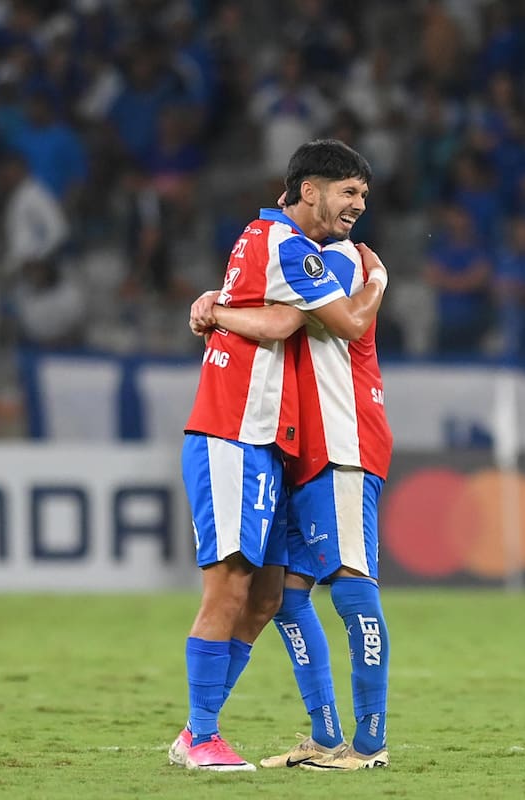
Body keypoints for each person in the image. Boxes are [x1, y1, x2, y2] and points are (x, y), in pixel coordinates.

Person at [171, 138, 388, 772]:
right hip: (233, 433)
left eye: (364, 195)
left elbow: (272, 316)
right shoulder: (294, 247)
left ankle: (208, 730)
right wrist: (379, 279)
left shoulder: (270, 242)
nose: (359, 205)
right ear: (309, 190)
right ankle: (203, 735)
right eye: (349, 191)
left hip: (272, 444)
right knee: (231, 586)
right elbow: (307, 323)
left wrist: (215, 307)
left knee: (269, 596)